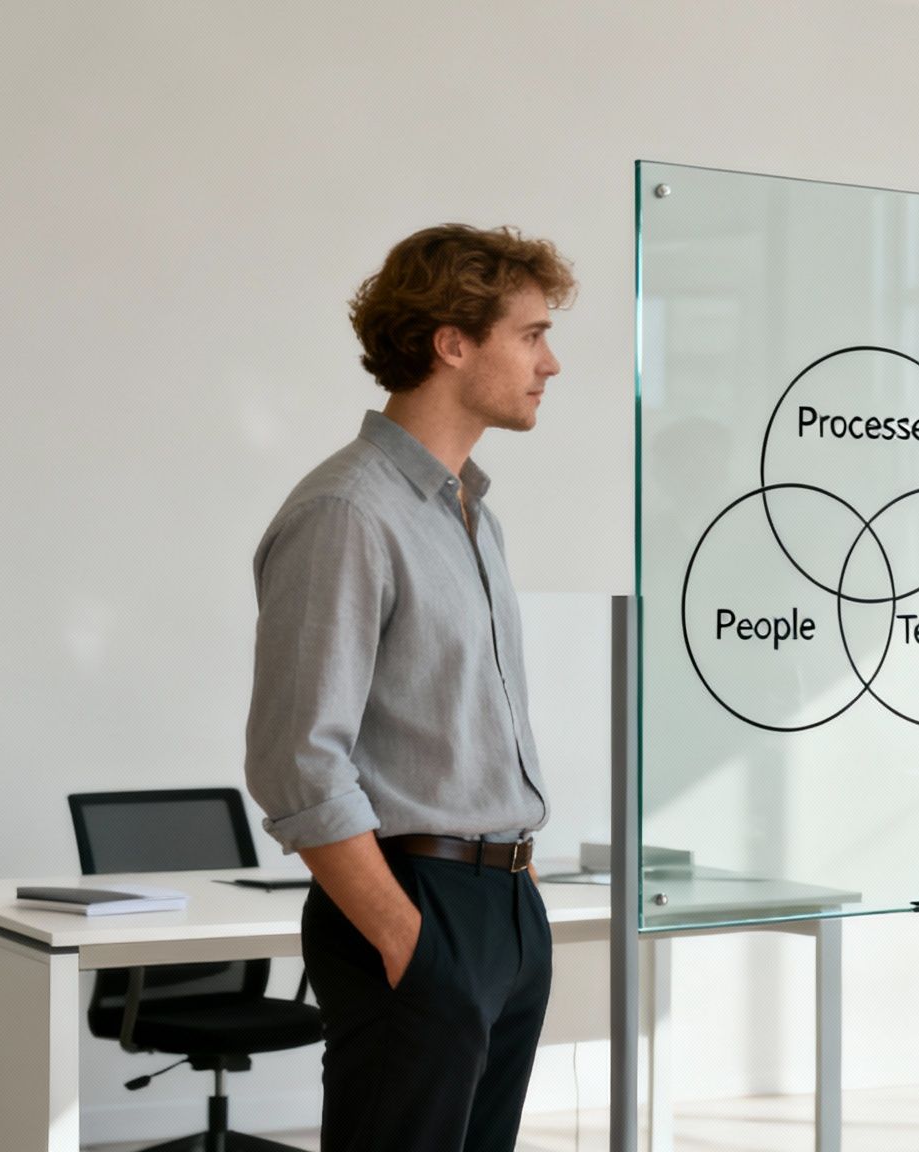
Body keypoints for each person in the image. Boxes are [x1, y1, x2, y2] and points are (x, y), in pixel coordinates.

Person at [244, 223, 574, 1150]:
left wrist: (516, 897)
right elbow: (299, 762)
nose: (551, 362)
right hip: (417, 903)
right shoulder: (348, 512)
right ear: (452, 342)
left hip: (503, 904)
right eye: (531, 335)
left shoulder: (470, 514)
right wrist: (406, 937)